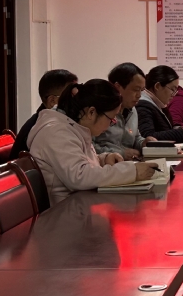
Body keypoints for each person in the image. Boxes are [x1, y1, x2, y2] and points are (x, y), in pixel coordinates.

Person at [27, 79, 158, 205]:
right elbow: (79, 176)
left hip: (79, 203)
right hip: (63, 211)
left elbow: (79, 161)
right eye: (111, 119)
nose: (110, 125)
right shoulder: (56, 132)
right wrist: (131, 172)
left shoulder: (74, 127)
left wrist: (103, 159)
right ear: (91, 112)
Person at [9, 69, 78, 160]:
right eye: (71, 96)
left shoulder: (48, 120)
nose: (77, 101)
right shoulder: (47, 129)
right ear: (52, 101)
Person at [93, 63, 157, 160]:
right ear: (117, 87)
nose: (139, 95)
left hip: (129, 164)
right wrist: (120, 153)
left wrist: (144, 143)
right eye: (136, 89)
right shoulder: (99, 110)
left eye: (141, 90)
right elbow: (89, 146)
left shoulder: (132, 110)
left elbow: (135, 137)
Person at [137, 65, 183, 142]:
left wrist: (179, 129)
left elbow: (166, 130)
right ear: (157, 86)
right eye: (172, 89)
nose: (174, 95)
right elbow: (148, 137)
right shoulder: (143, 106)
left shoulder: (158, 104)